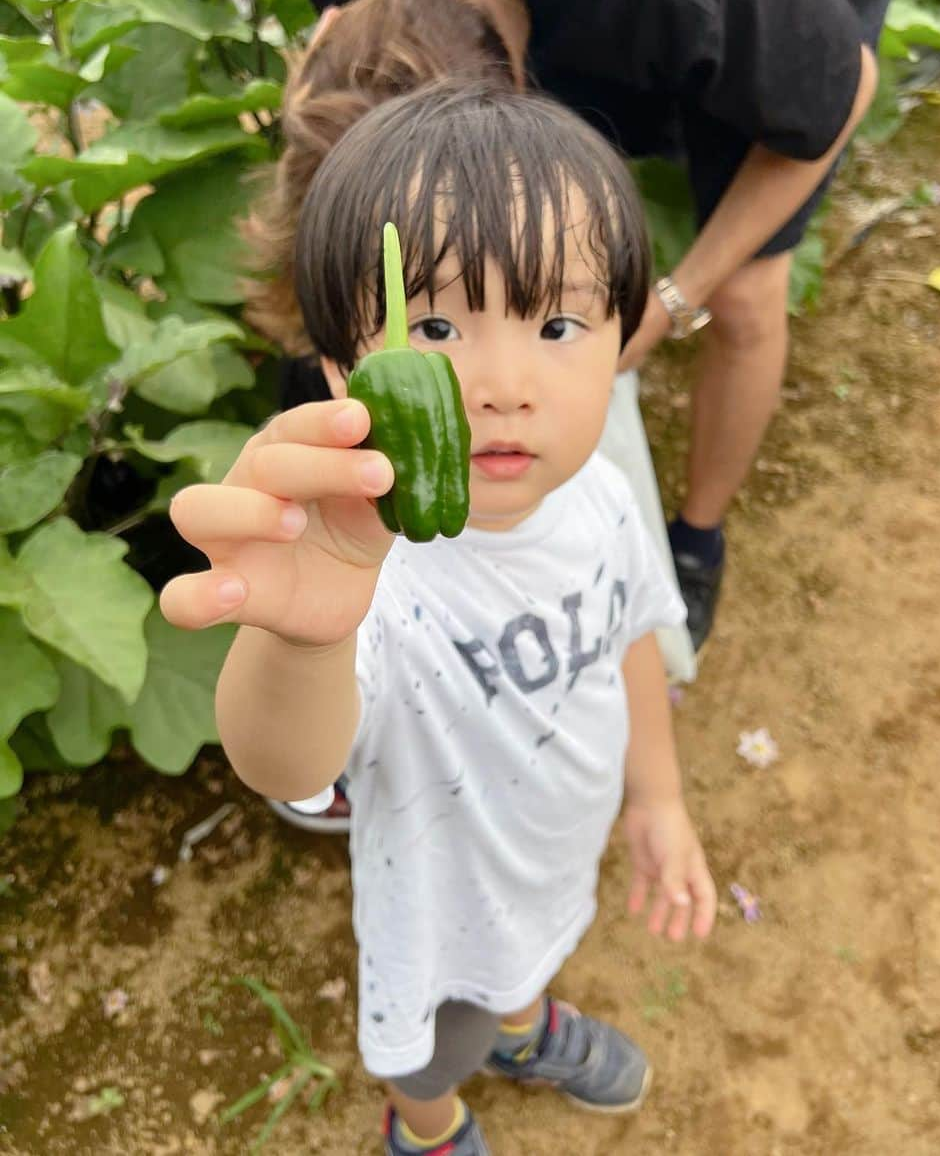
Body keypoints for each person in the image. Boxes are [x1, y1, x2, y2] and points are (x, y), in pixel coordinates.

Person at [162, 80, 718, 1156]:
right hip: (438, 901)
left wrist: (657, 796)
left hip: (560, 843)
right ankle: (429, 1126)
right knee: (425, 1045)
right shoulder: (375, 574)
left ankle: (522, 1028)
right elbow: (283, 762)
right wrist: (304, 633)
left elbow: (631, 639)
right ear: (339, 369)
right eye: (432, 324)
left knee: (533, 956)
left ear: (623, 342)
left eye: (557, 322)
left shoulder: (603, 495)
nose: (502, 382)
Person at [273, 0, 928, 660]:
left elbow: (840, 102)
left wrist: (671, 297)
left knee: (747, 288)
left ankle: (696, 541)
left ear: (523, 97)